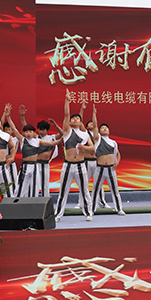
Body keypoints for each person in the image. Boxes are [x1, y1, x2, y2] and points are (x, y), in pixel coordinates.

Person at [54, 90, 95, 222]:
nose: (75, 119)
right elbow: (66, 114)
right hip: (68, 165)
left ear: (81, 122)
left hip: (81, 165)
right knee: (63, 191)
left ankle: (88, 212)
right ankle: (58, 214)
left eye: (78, 118)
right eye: (73, 118)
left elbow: (93, 148)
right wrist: (67, 101)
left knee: (84, 190)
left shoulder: (85, 134)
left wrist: (84, 147)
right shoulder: (67, 131)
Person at [6, 109, 62, 198]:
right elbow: (15, 128)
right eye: (27, 132)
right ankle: (17, 202)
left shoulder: (40, 140)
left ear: (33, 132)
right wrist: (9, 117)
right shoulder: (24, 139)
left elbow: (52, 143)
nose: (28, 133)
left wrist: (61, 139)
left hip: (37, 166)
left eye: (30, 132)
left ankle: (36, 203)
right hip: (26, 165)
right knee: (22, 186)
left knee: (36, 187)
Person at [91, 103, 125, 215]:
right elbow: (95, 126)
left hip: (111, 169)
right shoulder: (98, 139)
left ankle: (119, 208)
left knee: (115, 190)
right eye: (102, 128)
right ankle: (91, 210)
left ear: (109, 131)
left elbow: (118, 154)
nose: (104, 129)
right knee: (96, 190)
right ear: (99, 131)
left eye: (106, 128)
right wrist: (94, 114)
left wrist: (117, 163)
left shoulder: (113, 142)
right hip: (100, 168)